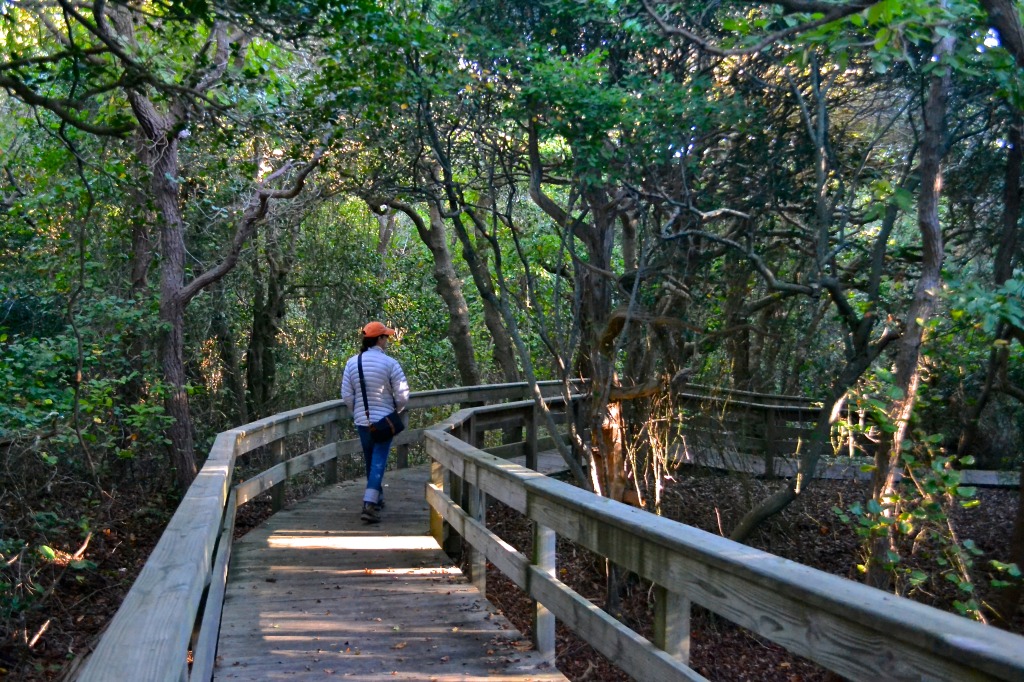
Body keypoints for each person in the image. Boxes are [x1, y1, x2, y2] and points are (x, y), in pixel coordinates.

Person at [341, 321, 410, 524]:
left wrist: (358, 412)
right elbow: (403, 394)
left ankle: (377, 498)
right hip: (384, 420)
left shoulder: (352, 362)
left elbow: (346, 394)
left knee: (371, 460)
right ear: (379, 339)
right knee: (379, 461)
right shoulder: (390, 364)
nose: (387, 340)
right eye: (385, 337)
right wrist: (396, 410)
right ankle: (369, 504)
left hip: (363, 421)